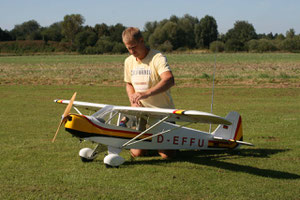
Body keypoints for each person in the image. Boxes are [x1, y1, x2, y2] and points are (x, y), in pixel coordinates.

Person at [122, 27, 176, 159]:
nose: (132, 51)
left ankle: (160, 145)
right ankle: (149, 143)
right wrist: (132, 101)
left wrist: (146, 94)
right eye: (128, 48)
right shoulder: (128, 61)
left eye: (134, 47)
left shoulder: (157, 57)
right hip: (141, 114)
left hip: (162, 113)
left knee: (166, 155)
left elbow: (169, 79)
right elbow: (129, 84)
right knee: (137, 154)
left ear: (142, 41)